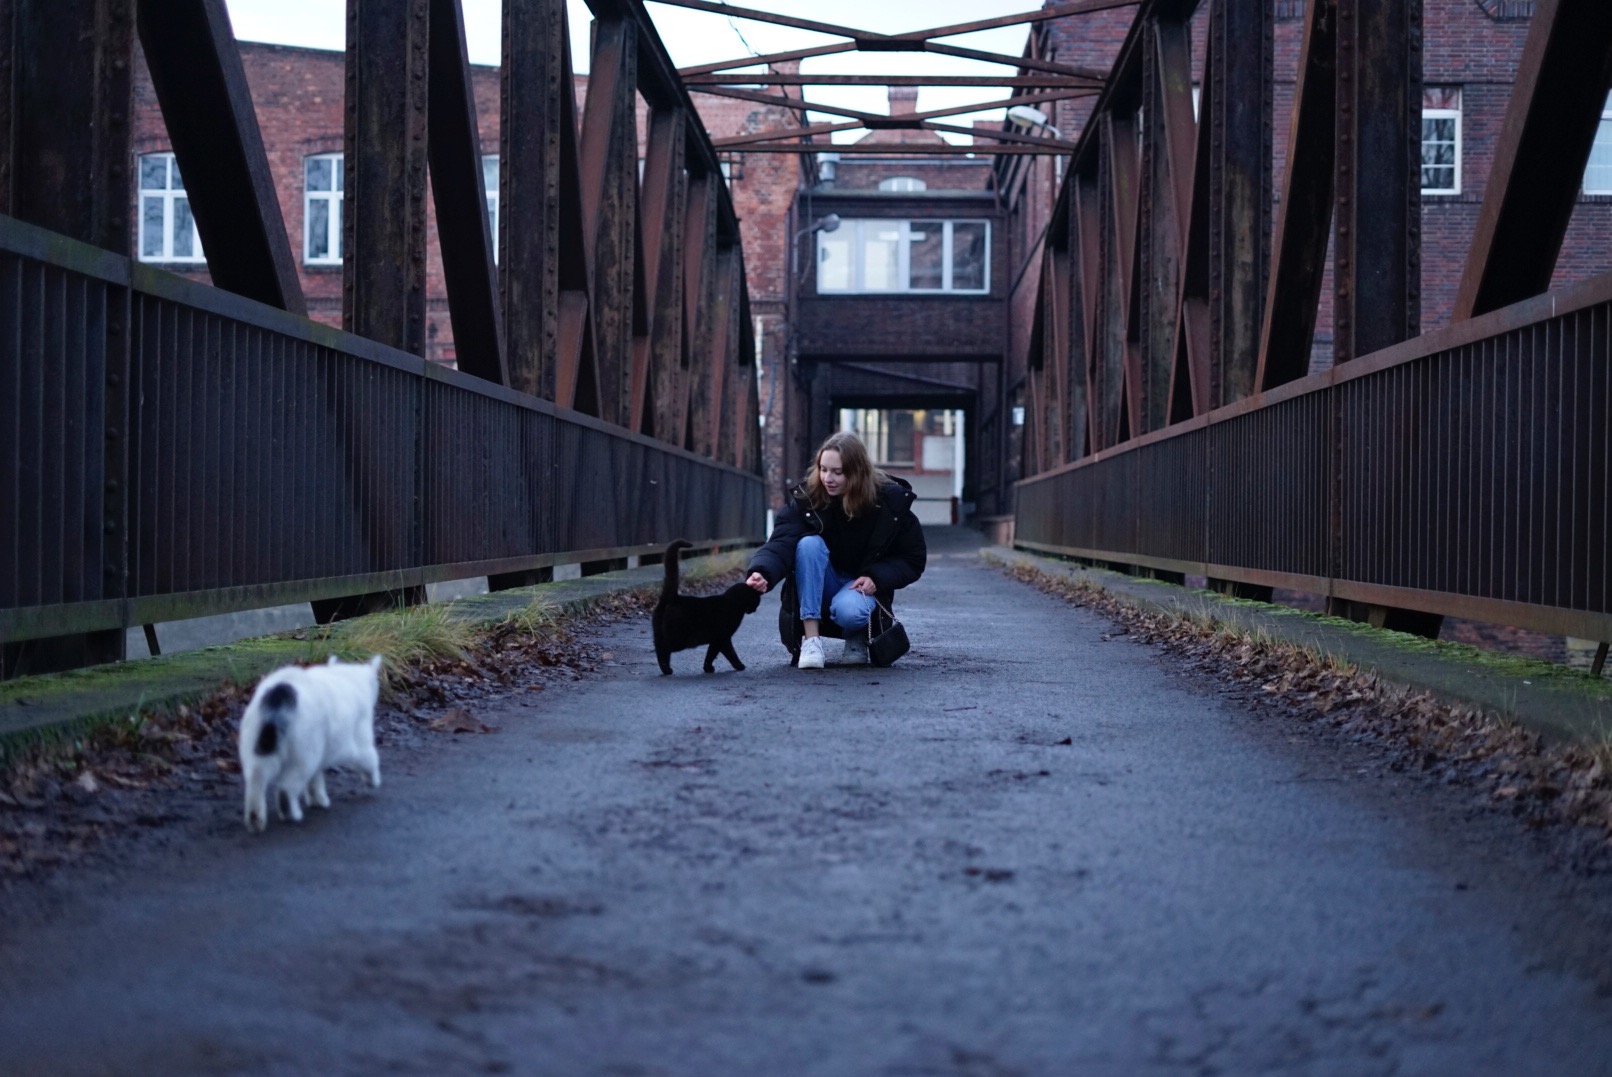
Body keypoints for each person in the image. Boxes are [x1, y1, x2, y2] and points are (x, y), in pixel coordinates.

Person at [745, 431, 927, 669]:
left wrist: (877, 578)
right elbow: (782, 542)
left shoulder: (889, 502)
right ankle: (811, 641)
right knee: (809, 544)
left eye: (837, 472)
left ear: (857, 472)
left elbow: (912, 558)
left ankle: (856, 636)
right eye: (823, 469)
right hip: (822, 582)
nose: (827, 478)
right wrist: (763, 572)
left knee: (849, 611)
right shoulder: (809, 499)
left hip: (859, 588)